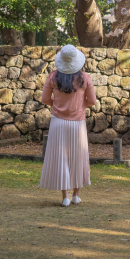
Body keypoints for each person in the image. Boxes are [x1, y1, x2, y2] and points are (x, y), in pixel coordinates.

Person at [39, 44, 97, 207]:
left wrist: (57, 104)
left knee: (61, 158)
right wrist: (79, 106)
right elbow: (92, 101)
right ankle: (76, 195)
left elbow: (45, 99)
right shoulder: (85, 78)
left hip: (58, 122)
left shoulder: (52, 77)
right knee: (78, 158)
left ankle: (65, 197)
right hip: (77, 123)